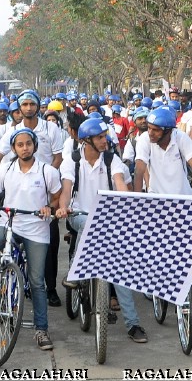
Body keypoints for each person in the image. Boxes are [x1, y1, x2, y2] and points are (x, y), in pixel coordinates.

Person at [57, 119, 145, 343]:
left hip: (109, 219)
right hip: (80, 216)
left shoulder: (111, 159)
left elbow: (120, 185)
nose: (105, 141)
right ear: (86, 141)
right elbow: (66, 190)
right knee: (88, 223)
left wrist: (125, 206)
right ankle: (77, 271)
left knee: (119, 271)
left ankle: (133, 324)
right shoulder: (71, 162)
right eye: (100, 137)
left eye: (105, 136)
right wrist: (63, 207)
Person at [0, 128, 61, 352]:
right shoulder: (6, 168)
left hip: (36, 230)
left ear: (34, 146)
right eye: (20, 145)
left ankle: (41, 330)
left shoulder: (47, 171)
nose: (25, 148)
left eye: (28, 144)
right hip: (9, 224)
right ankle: (9, 268)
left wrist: (49, 207)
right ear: (14, 148)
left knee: (37, 282)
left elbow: (57, 196)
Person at [133, 107, 192, 196]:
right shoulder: (144, 139)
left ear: (169, 131)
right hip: (156, 196)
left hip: (183, 196)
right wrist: (137, 198)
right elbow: (139, 170)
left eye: (156, 130)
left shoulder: (181, 137)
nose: (150, 133)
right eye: (149, 128)